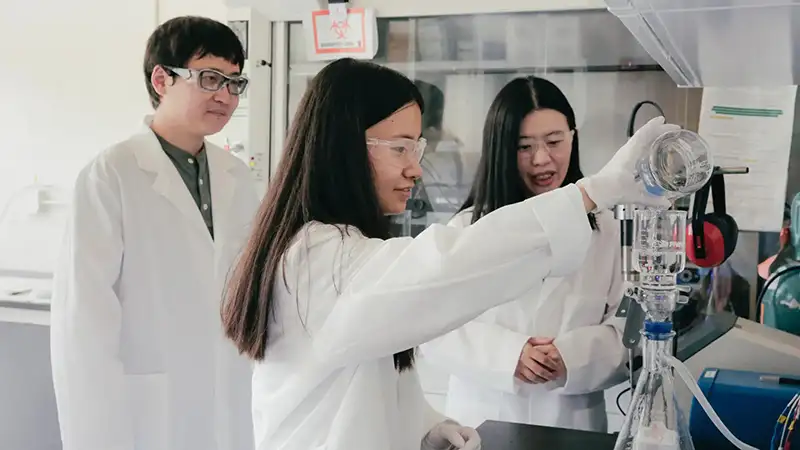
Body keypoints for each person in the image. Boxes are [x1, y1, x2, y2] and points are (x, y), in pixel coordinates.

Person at [220, 58, 675, 450]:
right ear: (342, 148)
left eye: (416, 147)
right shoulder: (317, 259)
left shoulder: (342, 250)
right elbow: (445, 276)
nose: (415, 167)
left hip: (572, 412)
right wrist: (594, 191)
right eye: (400, 148)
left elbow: (363, 383)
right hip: (489, 403)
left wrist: (422, 429)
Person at [50, 16, 258, 450]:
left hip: (229, 399)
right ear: (161, 79)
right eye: (210, 78)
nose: (225, 96)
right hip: (144, 408)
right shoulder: (113, 174)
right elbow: (82, 323)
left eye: (235, 83)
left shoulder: (236, 175)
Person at [419, 76, 628, 432]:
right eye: (524, 146)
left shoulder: (607, 231)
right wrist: (509, 356)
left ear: (573, 138)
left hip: (573, 424)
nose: (542, 159)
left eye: (554, 141)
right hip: (482, 419)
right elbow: (433, 330)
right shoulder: (466, 231)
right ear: (502, 149)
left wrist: (571, 357)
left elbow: (628, 331)